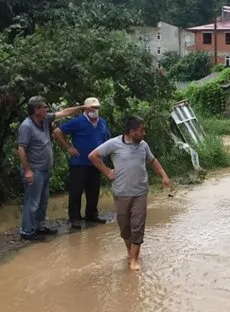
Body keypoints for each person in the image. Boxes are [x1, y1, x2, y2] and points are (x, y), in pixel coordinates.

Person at [88, 116, 172, 271]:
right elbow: (93, 156)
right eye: (141, 130)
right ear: (132, 132)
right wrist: (107, 171)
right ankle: (130, 252)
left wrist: (164, 175)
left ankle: (134, 259)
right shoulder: (114, 144)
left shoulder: (143, 146)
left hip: (140, 192)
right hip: (121, 193)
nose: (144, 133)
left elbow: (152, 160)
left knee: (138, 227)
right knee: (125, 228)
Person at [17, 96, 84, 241]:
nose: (47, 109)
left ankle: (39, 226)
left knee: (43, 200)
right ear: (36, 110)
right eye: (44, 107)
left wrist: (82, 108)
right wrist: (28, 170)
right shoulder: (26, 126)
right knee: (32, 201)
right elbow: (21, 149)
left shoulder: (45, 119)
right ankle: (27, 231)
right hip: (34, 170)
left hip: (45, 169)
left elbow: (64, 113)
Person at [53, 97, 111, 229]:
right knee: (76, 191)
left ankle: (92, 215)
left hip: (96, 163)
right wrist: (68, 147)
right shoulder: (78, 122)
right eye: (91, 108)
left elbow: (107, 139)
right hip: (79, 162)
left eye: (96, 108)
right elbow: (57, 132)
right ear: (85, 109)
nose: (94, 110)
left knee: (94, 190)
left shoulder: (102, 122)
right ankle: (74, 218)